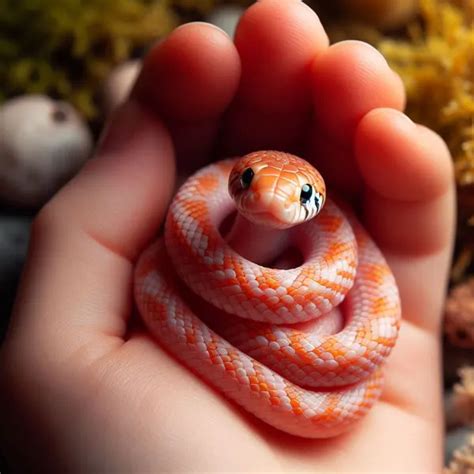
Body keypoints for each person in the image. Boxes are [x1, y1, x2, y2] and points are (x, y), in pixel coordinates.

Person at [0, 0, 454, 471]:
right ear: (237, 178)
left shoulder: (337, 246)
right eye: (248, 183)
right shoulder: (193, 210)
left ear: (314, 197)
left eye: (300, 198)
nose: (273, 203)